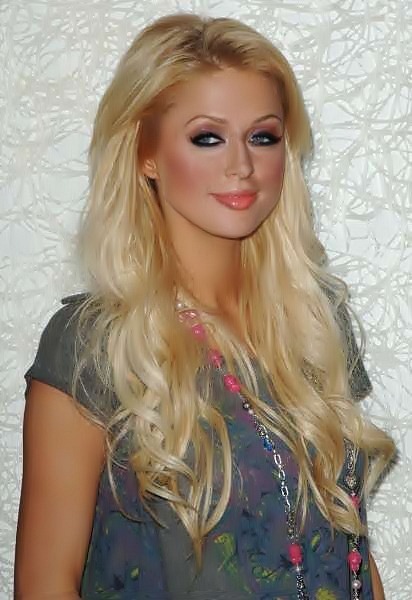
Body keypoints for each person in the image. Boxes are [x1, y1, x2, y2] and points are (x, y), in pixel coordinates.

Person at [14, 12, 394, 600]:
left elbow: (349, 551)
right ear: (146, 154)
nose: (241, 165)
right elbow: (45, 584)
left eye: (262, 137)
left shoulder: (317, 324)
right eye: (207, 138)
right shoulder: (94, 346)